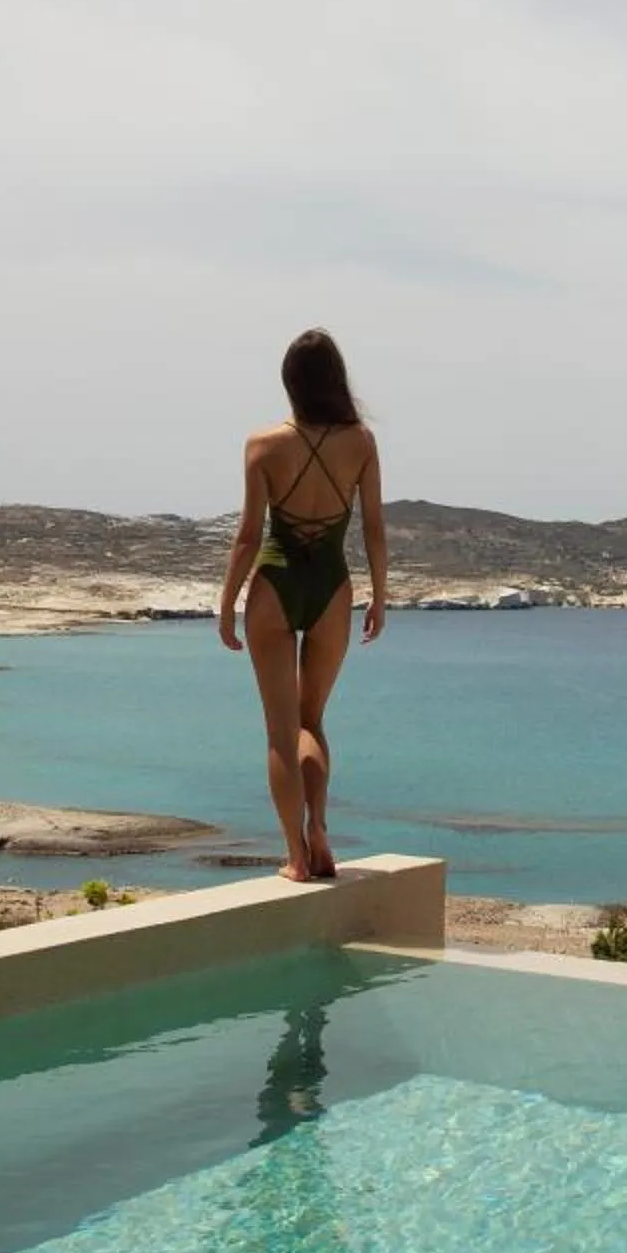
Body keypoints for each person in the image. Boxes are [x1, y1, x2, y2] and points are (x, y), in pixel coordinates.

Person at [218, 328, 386, 882]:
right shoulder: (360, 443)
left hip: (274, 586)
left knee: (279, 730)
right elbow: (375, 530)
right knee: (312, 720)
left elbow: (247, 537)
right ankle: (319, 827)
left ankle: (295, 856)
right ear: (337, 379)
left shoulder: (263, 445)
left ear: (289, 381)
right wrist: (381, 598)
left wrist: (225, 604)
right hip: (333, 590)